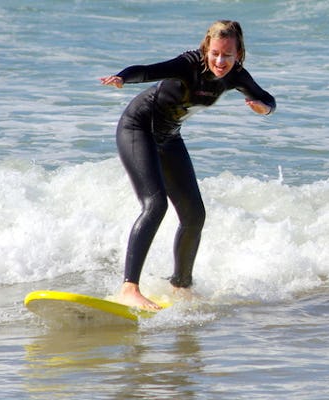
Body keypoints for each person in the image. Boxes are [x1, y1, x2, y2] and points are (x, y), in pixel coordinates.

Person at [100, 20, 276, 310]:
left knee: (194, 215)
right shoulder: (188, 64)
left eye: (228, 56)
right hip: (138, 128)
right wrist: (122, 78)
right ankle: (129, 289)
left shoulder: (236, 76)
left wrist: (263, 108)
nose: (221, 61)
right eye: (216, 53)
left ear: (238, 54)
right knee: (155, 205)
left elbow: (267, 99)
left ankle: (181, 285)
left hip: (169, 137)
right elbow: (148, 71)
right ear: (207, 48)